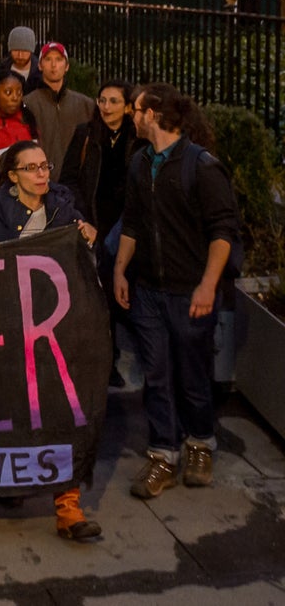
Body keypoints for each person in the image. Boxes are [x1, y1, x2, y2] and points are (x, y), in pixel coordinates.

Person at [114, 84, 240, 500]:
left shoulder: (202, 166)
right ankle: (163, 455)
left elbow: (223, 231)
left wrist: (208, 285)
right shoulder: (139, 163)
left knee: (191, 374)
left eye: (136, 109)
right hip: (148, 289)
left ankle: (201, 442)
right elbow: (131, 221)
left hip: (189, 292)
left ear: (153, 114)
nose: (132, 114)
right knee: (156, 374)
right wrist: (120, 270)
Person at [0, 140, 101, 542]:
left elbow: (83, 264)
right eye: (31, 168)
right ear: (13, 176)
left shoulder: (66, 208)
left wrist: (89, 238)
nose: (42, 174)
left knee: (66, 410)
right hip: (12, 327)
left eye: (45, 166)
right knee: (16, 407)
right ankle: (14, 480)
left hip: (62, 329)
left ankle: (68, 506)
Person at [60, 81, 144, 387]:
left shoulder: (137, 138)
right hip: (94, 224)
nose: (106, 106)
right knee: (100, 297)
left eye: (114, 101)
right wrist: (82, 218)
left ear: (126, 106)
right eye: (102, 100)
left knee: (126, 291)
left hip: (127, 225)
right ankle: (106, 362)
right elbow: (68, 179)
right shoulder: (86, 133)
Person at [25, 43, 96, 173]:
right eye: (48, 59)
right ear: (40, 65)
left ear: (67, 66)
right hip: (40, 179)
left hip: (76, 184)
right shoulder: (28, 103)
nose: (53, 65)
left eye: (58, 59)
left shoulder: (86, 105)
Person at [0, 25, 43, 93]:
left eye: (24, 51)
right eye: (16, 50)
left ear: (31, 51)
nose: (20, 55)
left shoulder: (41, 73)